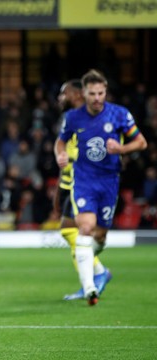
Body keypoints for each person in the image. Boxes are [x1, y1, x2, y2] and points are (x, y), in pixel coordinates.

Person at [55, 69, 147, 305]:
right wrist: (61, 154)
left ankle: (96, 271)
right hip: (84, 180)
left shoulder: (119, 114)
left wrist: (122, 149)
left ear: (105, 92)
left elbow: (141, 142)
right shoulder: (74, 117)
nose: (97, 98)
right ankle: (89, 289)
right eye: (92, 93)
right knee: (84, 228)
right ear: (84, 93)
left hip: (109, 181)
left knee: (100, 237)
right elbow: (61, 141)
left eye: (101, 93)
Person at [55, 79, 112, 301]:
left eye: (64, 93)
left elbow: (93, 153)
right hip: (71, 183)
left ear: (77, 93)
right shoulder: (71, 118)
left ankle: (97, 274)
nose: (60, 98)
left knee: (77, 232)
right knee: (69, 231)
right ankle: (92, 277)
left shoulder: (88, 118)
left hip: (86, 185)